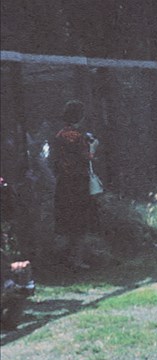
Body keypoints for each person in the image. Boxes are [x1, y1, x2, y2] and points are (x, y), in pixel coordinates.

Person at [49, 100, 95, 269]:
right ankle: (77, 259)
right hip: (78, 181)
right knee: (80, 220)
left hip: (63, 182)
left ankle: (66, 258)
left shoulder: (59, 134)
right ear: (80, 116)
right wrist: (93, 146)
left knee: (67, 220)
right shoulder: (78, 136)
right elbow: (86, 156)